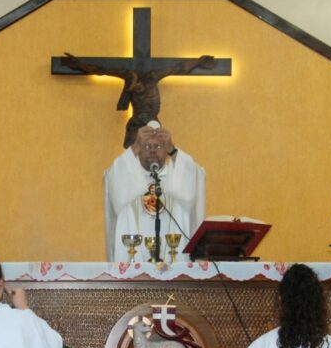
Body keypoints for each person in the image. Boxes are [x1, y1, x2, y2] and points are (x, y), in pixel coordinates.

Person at [62, 52, 216, 147]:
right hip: (137, 119)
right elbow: (101, 70)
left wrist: (198, 62)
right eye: (133, 89)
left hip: (152, 119)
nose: (136, 91)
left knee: (158, 151)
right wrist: (79, 65)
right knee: (130, 149)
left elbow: (178, 68)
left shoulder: (153, 76)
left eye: (137, 88)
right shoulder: (128, 76)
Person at [104, 120, 205, 263]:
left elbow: (196, 177)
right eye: (146, 146)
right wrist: (135, 146)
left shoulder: (176, 175)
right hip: (133, 261)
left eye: (158, 146)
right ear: (138, 151)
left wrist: (173, 149)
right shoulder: (127, 176)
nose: (152, 150)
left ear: (166, 150)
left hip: (174, 260)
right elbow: (111, 179)